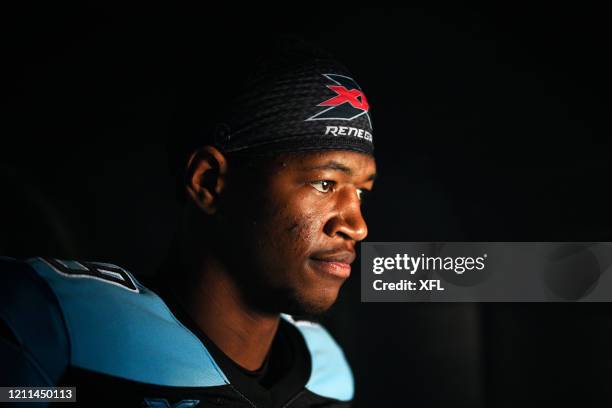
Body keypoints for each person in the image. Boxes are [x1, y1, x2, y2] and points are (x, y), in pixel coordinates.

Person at [0, 38, 377, 407]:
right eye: (324, 183)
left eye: (361, 191)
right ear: (209, 183)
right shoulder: (60, 325)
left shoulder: (328, 375)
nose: (356, 226)